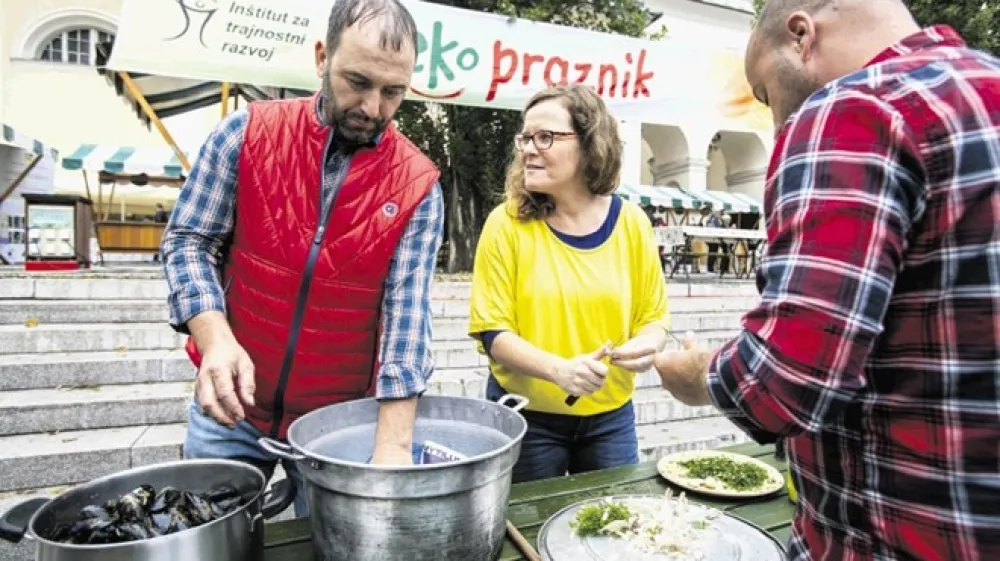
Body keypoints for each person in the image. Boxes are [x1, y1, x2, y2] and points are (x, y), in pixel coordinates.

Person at [654, 1, 1000, 559]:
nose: (774, 124)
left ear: (801, 36)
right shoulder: (985, 85)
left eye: (765, 93)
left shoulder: (851, 109)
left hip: (886, 538)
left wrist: (700, 377)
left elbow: (789, 380)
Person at [160, 0, 444, 518]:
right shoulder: (244, 134)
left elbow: (406, 317)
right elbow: (188, 240)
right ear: (321, 57)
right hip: (233, 409)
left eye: (392, 92)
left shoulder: (418, 186)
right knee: (209, 538)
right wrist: (215, 340)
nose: (373, 107)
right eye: (357, 81)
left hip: (339, 426)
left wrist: (392, 449)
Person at [468, 84, 670, 484]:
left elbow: (653, 317)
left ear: (590, 143)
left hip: (610, 420)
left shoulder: (632, 223)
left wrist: (648, 345)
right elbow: (493, 332)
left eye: (545, 137)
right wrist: (557, 370)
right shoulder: (505, 223)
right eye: (525, 137)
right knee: (526, 531)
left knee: (612, 530)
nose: (528, 148)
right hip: (526, 418)